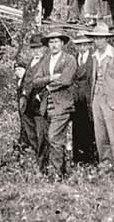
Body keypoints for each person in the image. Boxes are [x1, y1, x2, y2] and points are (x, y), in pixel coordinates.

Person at [32, 31, 78, 176]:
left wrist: (47, 86)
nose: (54, 45)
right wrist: (50, 78)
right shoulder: (45, 60)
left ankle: (58, 174)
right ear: (48, 45)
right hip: (46, 106)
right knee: (47, 139)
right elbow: (35, 81)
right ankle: (58, 171)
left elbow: (66, 80)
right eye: (51, 42)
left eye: (57, 41)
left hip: (63, 105)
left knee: (54, 137)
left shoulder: (69, 59)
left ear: (62, 43)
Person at [85, 23, 114, 169]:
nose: (98, 41)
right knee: (100, 134)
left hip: (113, 99)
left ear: (107, 39)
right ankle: (105, 163)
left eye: (101, 38)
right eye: (96, 38)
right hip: (97, 98)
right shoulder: (94, 56)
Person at [18, 34, 50, 170]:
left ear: (44, 48)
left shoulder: (47, 62)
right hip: (27, 106)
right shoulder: (31, 61)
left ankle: (44, 166)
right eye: (33, 48)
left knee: (42, 135)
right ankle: (38, 161)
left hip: (39, 106)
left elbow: (50, 81)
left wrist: (41, 96)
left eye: (39, 48)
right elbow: (25, 80)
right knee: (31, 135)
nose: (36, 51)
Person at [71, 36, 97, 165]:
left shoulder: (94, 58)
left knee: (90, 128)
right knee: (77, 128)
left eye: (84, 44)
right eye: (79, 45)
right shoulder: (73, 59)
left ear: (89, 45)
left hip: (89, 99)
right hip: (76, 100)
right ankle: (78, 159)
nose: (81, 47)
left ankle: (91, 159)